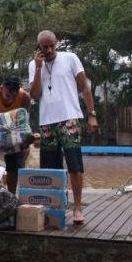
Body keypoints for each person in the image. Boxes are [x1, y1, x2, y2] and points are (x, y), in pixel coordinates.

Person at [29, 30, 98, 224]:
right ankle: (55, 208)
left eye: (52, 45)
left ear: (56, 43)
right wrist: (38, 68)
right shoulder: (34, 65)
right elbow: (35, 95)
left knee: (75, 166)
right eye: (45, 47)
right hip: (46, 122)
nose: (49, 50)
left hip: (70, 119)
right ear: (39, 48)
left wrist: (91, 115)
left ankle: (77, 208)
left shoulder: (70, 58)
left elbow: (85, 86)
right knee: (50, 169)